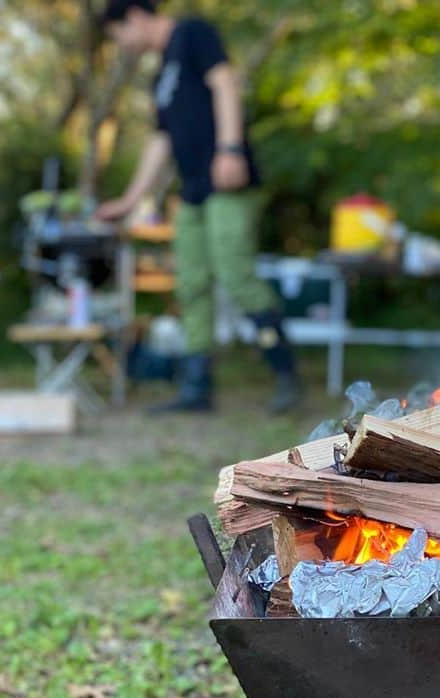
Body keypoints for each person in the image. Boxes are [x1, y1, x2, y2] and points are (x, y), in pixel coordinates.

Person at [97, 0, 299, 413]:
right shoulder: (160, 78)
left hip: (226, 180)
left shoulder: (192, 34)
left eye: (119, 35)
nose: (123, 44)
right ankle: (196, 388)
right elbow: (161, 141)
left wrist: (229, 148)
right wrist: (131, 199)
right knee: (190, 284)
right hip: (191, 192)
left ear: (134, 16)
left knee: (235, 274)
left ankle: (286, 377)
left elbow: (225, 83)